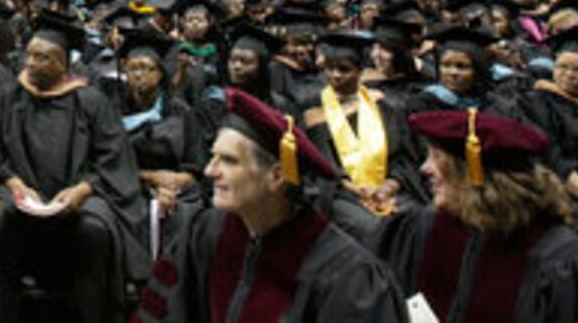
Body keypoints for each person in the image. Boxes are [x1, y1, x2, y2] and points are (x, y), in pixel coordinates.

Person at [134, 89, 406, 323]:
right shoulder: (204, 232)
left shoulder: (346, 273)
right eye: (212, 156)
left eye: (228, 160)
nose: (209, 170)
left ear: (277, 176)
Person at [0, 11, 149, 323]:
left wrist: (83, 190)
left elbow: (113, 160)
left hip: (79, 197)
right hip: (18, 196)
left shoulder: (90, 101)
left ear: (63, 64)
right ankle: (6, 314)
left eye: (41, 58)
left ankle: (93, 315)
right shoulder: (7, 97)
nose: (30, 64)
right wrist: (13, 184)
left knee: (95, 226)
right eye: (28, 55)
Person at [372, 108, 578, 320]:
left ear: (476, 173)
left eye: (437, 157)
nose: (424, 169)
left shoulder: (561, 260)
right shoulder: (416, 229)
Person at [302, 32, 422, 225]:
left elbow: (404, 157)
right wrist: (354, 188)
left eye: (344, 69)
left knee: (417, 217)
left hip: (387, 189)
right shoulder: (313, 109)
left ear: (360, 72)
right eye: (330, 69)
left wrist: (389, 186)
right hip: (338, 193)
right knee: (368, 225)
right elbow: (316, 165)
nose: (335, 75)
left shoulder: (385, 106)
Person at [112, 29, 206, 251]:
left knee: (184, 215)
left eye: (146, 68)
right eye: (133, 68)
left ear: (161, 73)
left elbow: (195, 166)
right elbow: (108, 163)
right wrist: (152, 178)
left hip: (177, 188)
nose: (138, 74)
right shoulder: (113, 109)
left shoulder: (180, 111)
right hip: (128, 185)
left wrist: (174, 182)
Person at [519, 27, 578, 235]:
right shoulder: (535, 102)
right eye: (562, 67)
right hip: (563, 195)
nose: (568, 75)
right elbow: (552, 158)